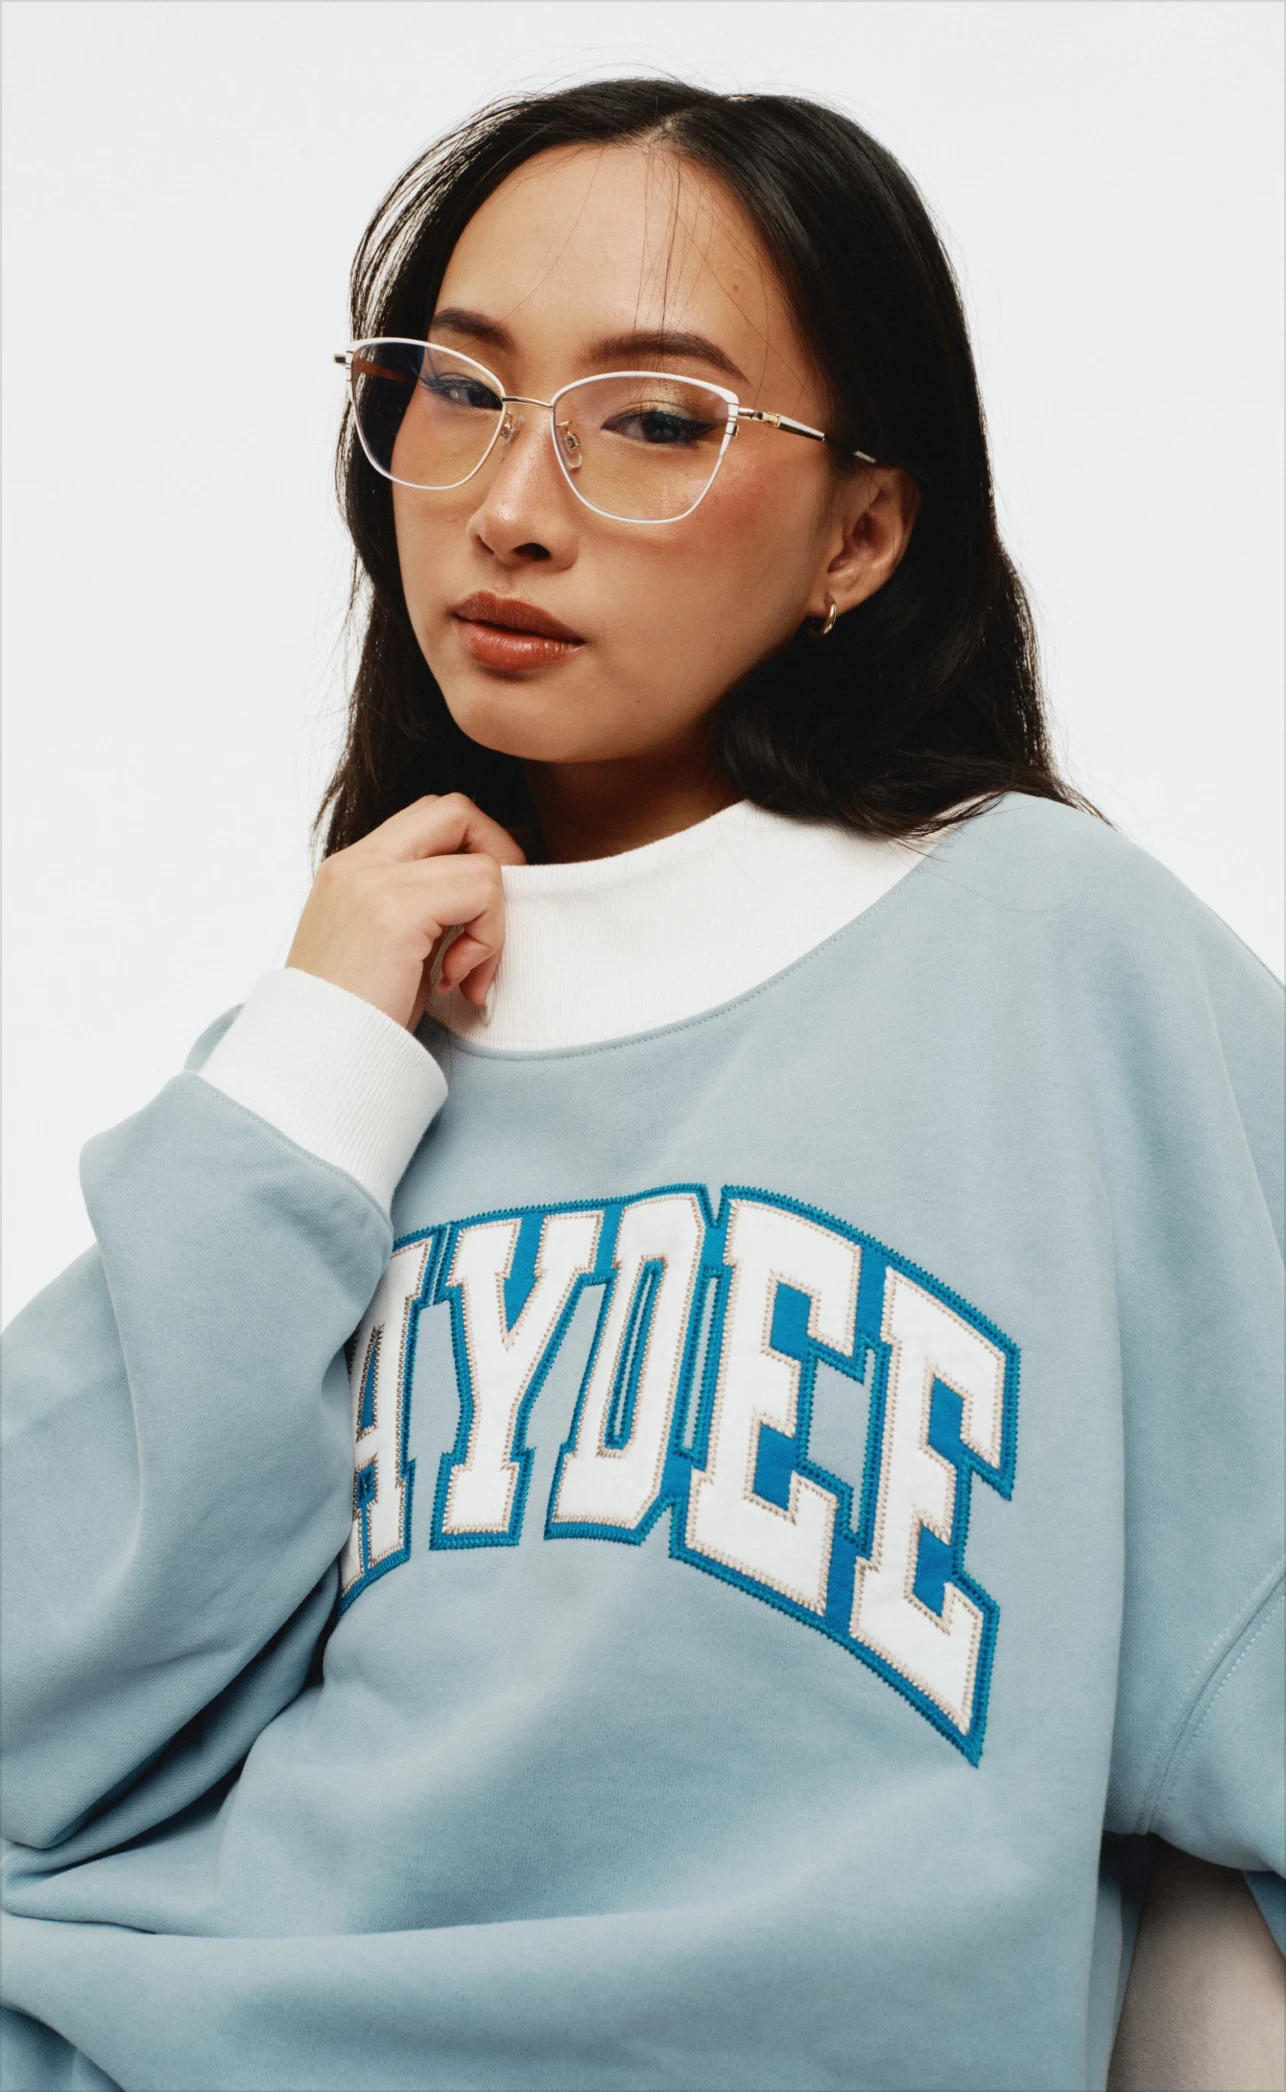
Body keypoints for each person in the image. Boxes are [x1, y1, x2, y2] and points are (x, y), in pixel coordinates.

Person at [2, 77, 1281, 2092]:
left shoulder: (1055, 956)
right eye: (453, 389)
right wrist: (317, 1058)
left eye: (656, 420)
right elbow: (33, 1732)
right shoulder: (339, 1048)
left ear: (862, 529)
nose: (511, 503)